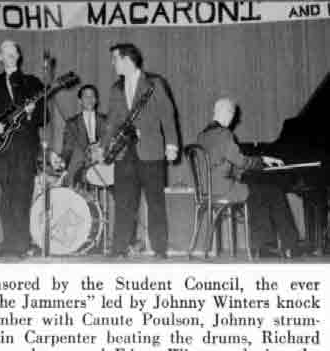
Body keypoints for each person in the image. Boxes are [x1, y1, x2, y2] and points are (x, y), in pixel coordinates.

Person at [100, 43, 179, 258]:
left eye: (114, 59)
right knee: (124, 201)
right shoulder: (116, 88)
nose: (112, 64)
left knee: (155, 201)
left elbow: (167, 115)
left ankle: (160, 249)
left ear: (127, 60)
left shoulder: (154, 83)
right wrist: (103, 147)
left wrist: (171, 144)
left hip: (151, 150)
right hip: (124, 152)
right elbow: (112, 122)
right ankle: (119, 248)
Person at [197, 98, 299, 258]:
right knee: (274, 192)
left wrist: (245, 168)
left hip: (207, 189)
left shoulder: (202, 135)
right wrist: (262, 160)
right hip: (224, 189)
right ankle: (290, 245)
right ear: (228, 114)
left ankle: (264, 246)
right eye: (232, 115)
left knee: (257, 193)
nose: (232, 119)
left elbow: (221, 162)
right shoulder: (224, 134)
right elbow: (241, 161)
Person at [0, 40, 46, 257]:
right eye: (6, 52)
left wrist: (32, 112)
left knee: (23, 194)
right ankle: (8, 242)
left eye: (14, 51)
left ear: (19, 56)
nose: (11, 55)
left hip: (25, 146)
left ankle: (21, 244)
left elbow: (45, 116)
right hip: (0, 147)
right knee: (4, 195)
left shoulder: (32, 82)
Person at [50, 84, 108, 188]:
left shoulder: (106, 120)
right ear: (80, 101)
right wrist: (61, 162)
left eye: (92, 96)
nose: (90, 99)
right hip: (80, 168)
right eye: (86, 96)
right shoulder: (71, 123)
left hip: (103, 164)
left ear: (96, 100)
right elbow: (68, 149)